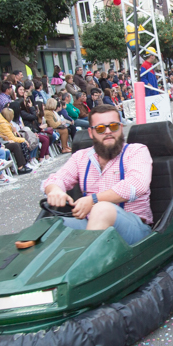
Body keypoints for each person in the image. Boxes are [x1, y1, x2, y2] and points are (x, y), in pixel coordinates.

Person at [41, 105, 154, 245]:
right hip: (91, 225)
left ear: (121, 127)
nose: (108, 132)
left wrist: (94, 200)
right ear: (91, 133)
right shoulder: (81, 157)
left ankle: (84, 262)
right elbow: (57, 178)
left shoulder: (136, 151)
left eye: (113, 126)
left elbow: (137, 185)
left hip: (134, 229)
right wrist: (55, 190)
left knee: (101, 208)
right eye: (100, 128)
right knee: (52, 226)